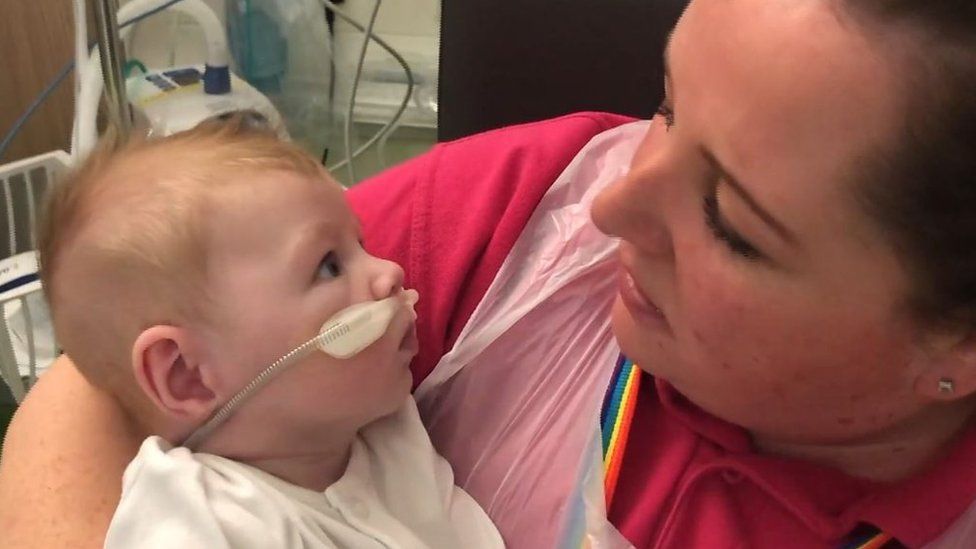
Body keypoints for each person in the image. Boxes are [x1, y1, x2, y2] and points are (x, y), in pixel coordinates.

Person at [2, 0, 975, 546]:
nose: (611, 208)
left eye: (730, 225)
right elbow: (98, 380)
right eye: (668, 105)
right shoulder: (529, 210)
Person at [27, 121, 504, 549]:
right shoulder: (201, 523)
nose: (390, 272)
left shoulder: (384, 430)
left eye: (361, 244)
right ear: (186, 374)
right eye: (330, 266)